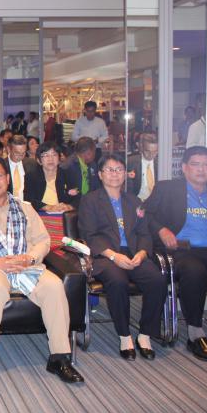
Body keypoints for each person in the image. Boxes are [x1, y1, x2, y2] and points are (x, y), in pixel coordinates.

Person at [0, 156, 83, 386]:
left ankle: (60, 358)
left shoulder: (25, 208)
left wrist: (29, 257)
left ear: (7, 178)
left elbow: (43, 240)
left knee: (54, 286)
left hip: (26, 265)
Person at [143, 146, 207, 362]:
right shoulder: (166, 189)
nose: (201, 169)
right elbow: (143, 214)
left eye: (206, 165)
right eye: (195, 164)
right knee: (194, 271)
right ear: (184, 168)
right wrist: (161, 230)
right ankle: (196, 335)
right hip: (182, 251)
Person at [78, 153, 166, 360]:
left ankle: (145, 334)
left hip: (133, 254)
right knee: (117, 281)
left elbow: (144, 233)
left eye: (119, 169)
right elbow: (89, 235)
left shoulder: (134, 201)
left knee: (157, 280)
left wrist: (142, 253)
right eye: (109, 169)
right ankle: (124, 335)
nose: (115, 174)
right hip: (105, 256)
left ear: (125, 174)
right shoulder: (90, 201)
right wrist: (113, 256)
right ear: (100, 174)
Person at [24, 141, 75, 213]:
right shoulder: (31, 176)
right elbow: (28, 199)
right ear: (39, 160)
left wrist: (69, 207)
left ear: (59, 159)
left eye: (54, 155)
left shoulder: (68, 175)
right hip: (39, 215)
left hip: (62, 215)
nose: (50, 159)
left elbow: (78, 198)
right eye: (46, 155)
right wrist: (48, 207)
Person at [64, 136, 100, 206]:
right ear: (88, 153)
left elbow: (96, 186)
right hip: (74, 204)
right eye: (94, 152)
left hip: (91, 202)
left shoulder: (93, 164)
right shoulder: (68, 166)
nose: (95, 155)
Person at [126, 133, 158, 201]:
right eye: (148, 151)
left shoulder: (160, 164)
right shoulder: (131, 162)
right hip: (138, 201)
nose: (151, 155)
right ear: (142, 148)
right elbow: (129, 189)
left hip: (156, 201)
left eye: (154, 152)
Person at [6, 135, 38, 202]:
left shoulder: (32, 164)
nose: (21, 156)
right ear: (9, 150)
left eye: (23, 153)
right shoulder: (1, 166)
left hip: (27, 204)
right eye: (17, 153)